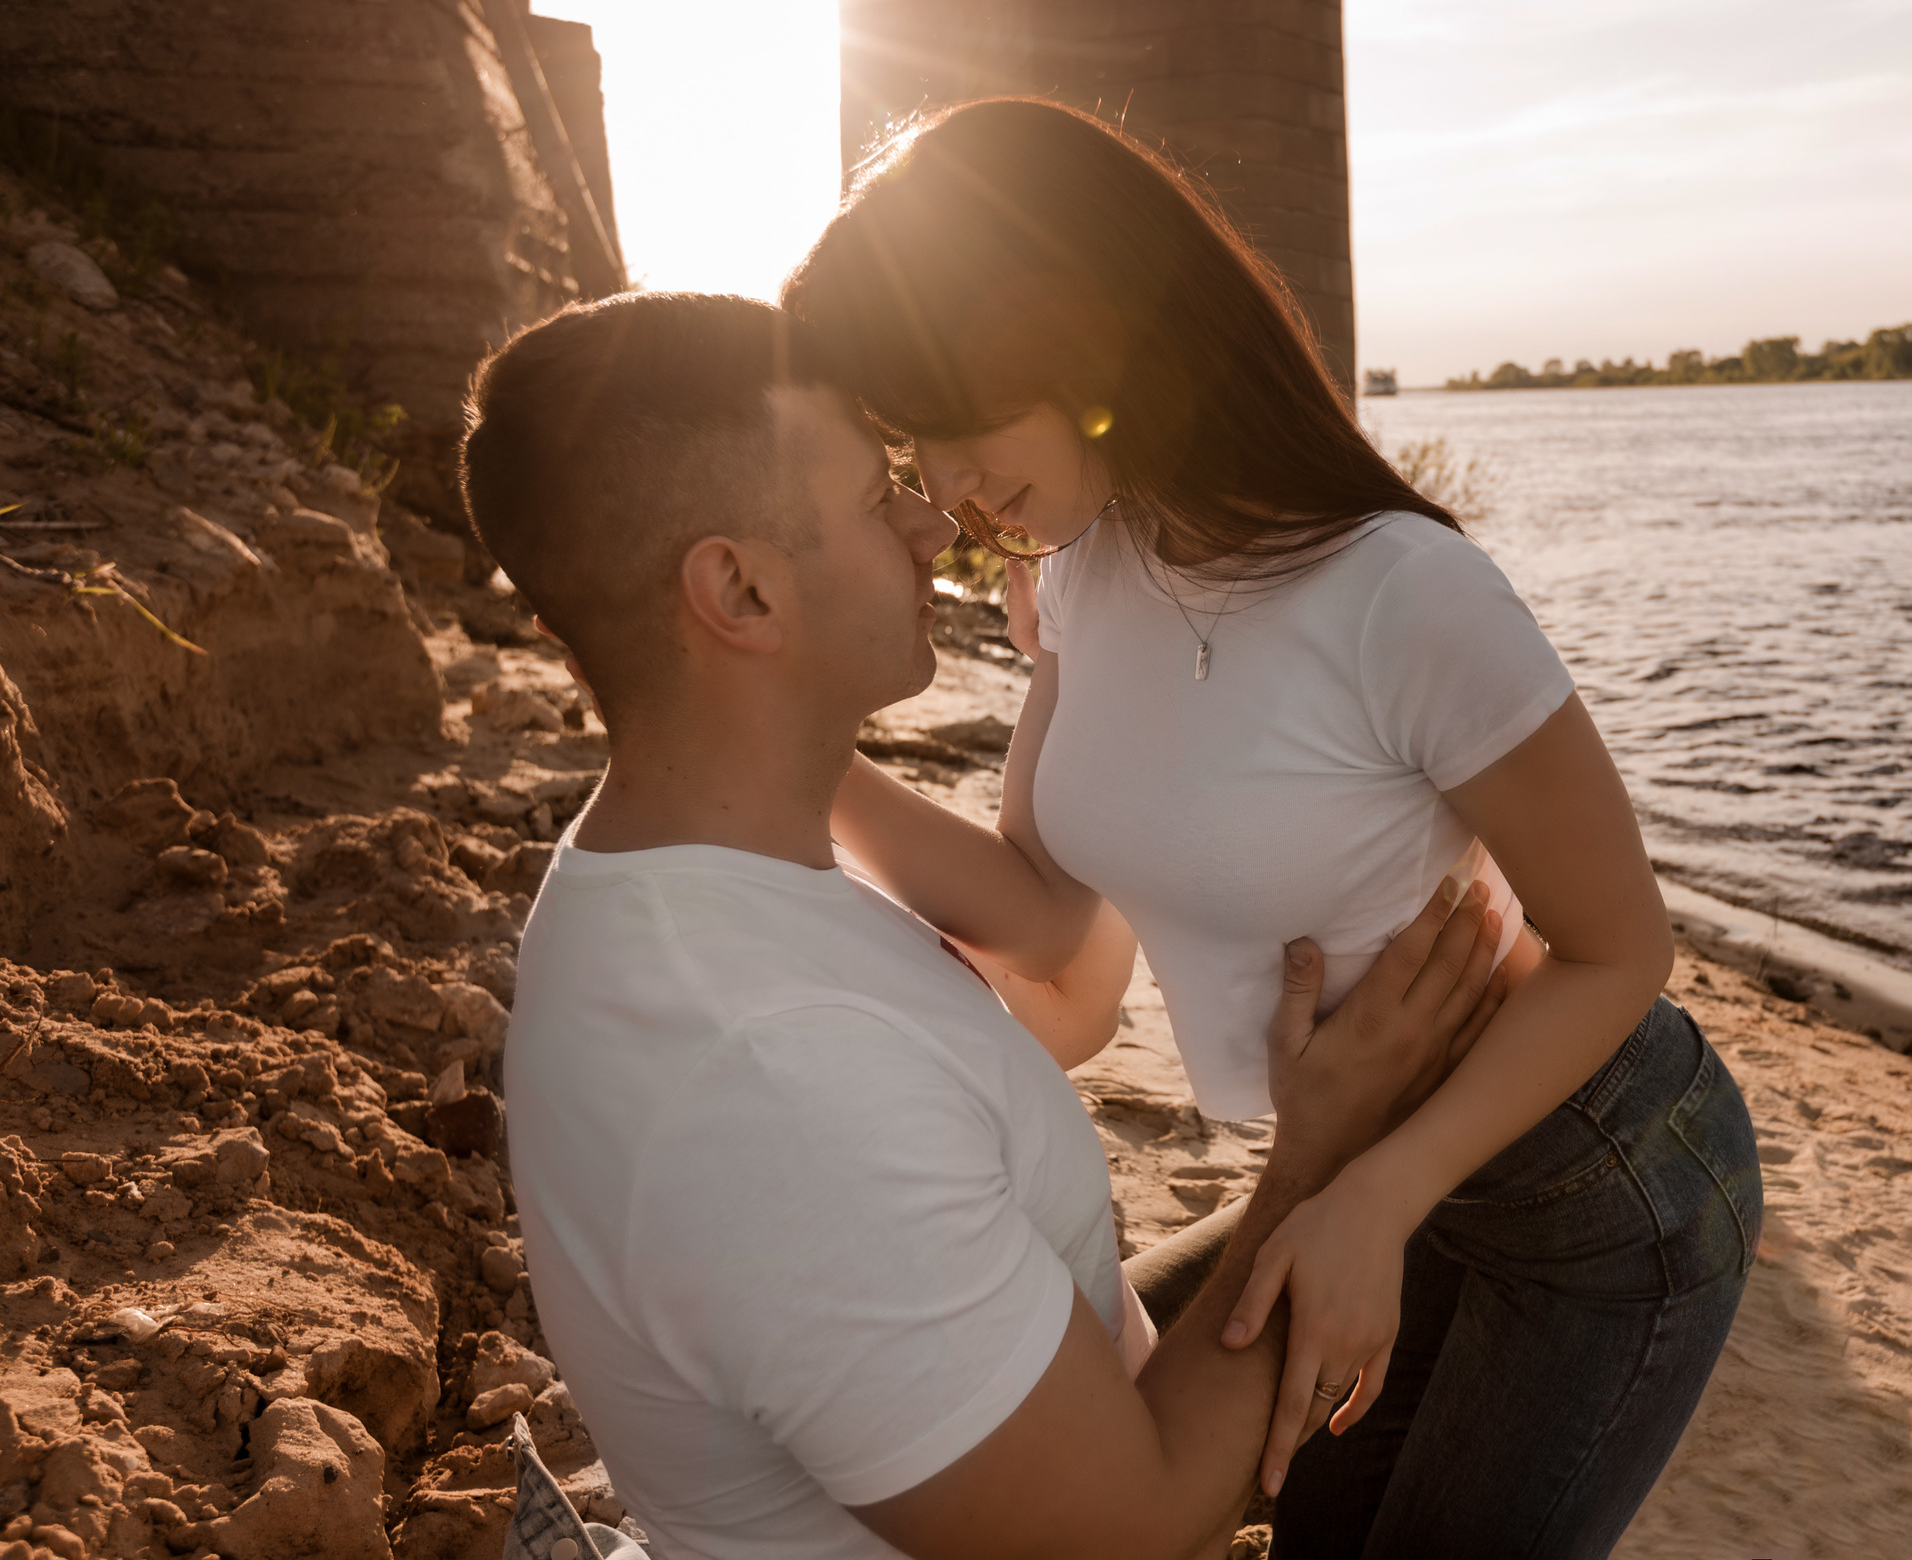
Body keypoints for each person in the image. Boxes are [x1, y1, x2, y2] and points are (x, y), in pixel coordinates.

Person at [785, 99, 1763, 1557]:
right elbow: (1051, 921)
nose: (944, 483)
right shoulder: (1075, 570)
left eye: (951, 417)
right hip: (1358, 1158)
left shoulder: (1402, 592)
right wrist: (794, 752)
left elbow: (1623, 948)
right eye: (907, 441)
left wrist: (1379, 1187)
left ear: (1080, 329)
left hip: (1598, 1186)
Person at [460, 290, 1511, 1560]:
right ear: (738, 592)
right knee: (1561, 1266)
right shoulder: (766, 1081)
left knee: (1482, 1224)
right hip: (1113, 1491)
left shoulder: (692, 869)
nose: (930, 524)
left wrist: (1077, 652)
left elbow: (1039, 1003)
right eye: (872, 498)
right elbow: (1128, 1528)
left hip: (1044, 1394)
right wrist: (1321, 1151)